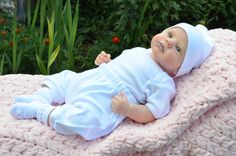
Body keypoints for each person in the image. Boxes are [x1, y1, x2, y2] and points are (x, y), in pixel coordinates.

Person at [10, 23, 214, 140]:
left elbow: (152, 113)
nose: (169, 41)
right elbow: (120, 66)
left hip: (106, 98)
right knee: (65, 78)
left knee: (87, 122)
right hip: (93, 77)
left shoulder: (163, 83)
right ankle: (41, 96)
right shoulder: (140, 51)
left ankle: (40, 111)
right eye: (170, 34)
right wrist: (104, 62)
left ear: (180, 69)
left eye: (177, 49)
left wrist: (128, 109)